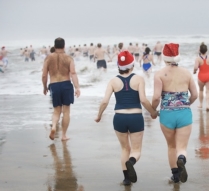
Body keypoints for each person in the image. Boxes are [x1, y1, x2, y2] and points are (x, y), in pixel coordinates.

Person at [95, 51, 157, 186]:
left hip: (119, 118)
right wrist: (153, 112)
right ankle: (132, 162)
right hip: (135, 117)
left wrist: (99, 115)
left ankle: (126, 179)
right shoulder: (139, 79)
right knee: (136, 150)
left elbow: (105, 101)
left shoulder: (113, 81)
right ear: (132, 64)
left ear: (118, 66)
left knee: (124, 149)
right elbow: (144, 100)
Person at [151, 43, 198, 183]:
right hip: (184, 113)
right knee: (182, 147)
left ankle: (176, 175)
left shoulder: (159, 74)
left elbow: (156, 97)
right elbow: (195, 95)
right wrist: (185, 104)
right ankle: (182, 159)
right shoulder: (186, 73)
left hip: (167, 115)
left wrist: (153, 110)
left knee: (171, 146)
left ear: (165, 57)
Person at [42, 37, 80, 141]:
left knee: (56, 111)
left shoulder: (48, 58)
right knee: (66, 111)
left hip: (54, 85)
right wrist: (77, 87)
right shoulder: (68, 58)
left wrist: (45, 87)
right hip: (66, 85)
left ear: (54, 46)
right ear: (64, 46)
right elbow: (73, 73)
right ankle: (63, 135)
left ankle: (54, 126)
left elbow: (44, 75)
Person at [194, 42, 209, 111]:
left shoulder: (198, 59)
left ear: (200, 50)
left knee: (201, 90)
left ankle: (200, 104)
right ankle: (207, 105)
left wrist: (194, 71)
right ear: (206, 50)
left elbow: (195, 67)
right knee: (208, 91)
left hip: (201, 76)